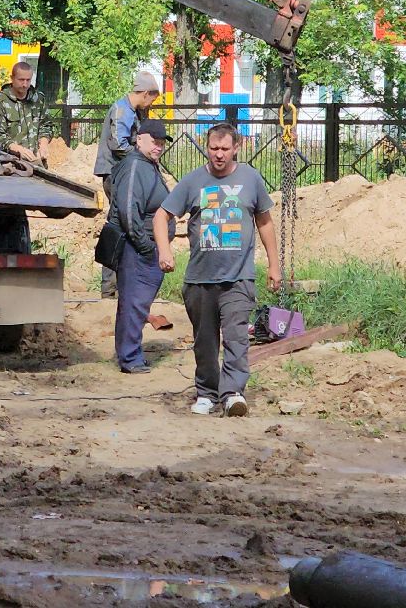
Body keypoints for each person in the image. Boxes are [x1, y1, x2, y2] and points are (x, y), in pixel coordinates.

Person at [155, 122, 279, 417]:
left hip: (239, 276)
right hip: (200, 278)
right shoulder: (193, 181)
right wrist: (165, 250)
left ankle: (233, 392)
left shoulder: (251, 178)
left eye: (225, 149)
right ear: (206, 147)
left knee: (236, 336)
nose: (219, 155)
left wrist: (274, 265)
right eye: (213, 148)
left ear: (236, 148)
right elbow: (161, 216)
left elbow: (265, 222)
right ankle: (207, 393)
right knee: (205, 340)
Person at [109, 118, 174, 373]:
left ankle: (131, 354)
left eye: (161, 142)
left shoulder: (148, 165)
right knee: (134, 303)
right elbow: (128, 210)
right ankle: (130, 358)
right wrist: (145, 246)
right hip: (137, 249)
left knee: (137, 303)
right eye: (153, 141)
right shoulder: (136, 166)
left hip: (145, 246)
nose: (158, 146)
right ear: (139, 139)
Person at [94, 71, 163, 296]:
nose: (152, 103)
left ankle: (120, 286)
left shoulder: (133, 112)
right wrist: (141, 158)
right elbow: (119, 145)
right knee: (120, 226)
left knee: (123, 226)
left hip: (124, 176)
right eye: (152, 98)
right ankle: (110, 289)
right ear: (144, 93)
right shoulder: (122, 111)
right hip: (117, 176)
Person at [0, 60, 48, 162]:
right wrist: (17, 149)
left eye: (28, 80)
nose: (25, 84)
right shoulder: (0, 101)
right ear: (12, 79)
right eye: (21, 80)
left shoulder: (39, 99)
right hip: (11, 163)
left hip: (37, 162)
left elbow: (46, 125)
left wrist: (44, 144)